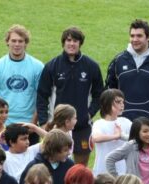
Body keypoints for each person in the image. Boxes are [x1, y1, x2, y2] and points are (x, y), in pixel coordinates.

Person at [36, 26, 104, 165]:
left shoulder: (91, 66)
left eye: (75, 41)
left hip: (82, 126)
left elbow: (99, 95)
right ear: (63, 42)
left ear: (80, 43)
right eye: (68, 40)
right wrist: (43, 122)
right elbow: (42, 96)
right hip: (58, 127)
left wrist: (89, 114)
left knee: (80, 167)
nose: (72, 44)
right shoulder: (52, 66)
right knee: (55, 164)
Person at [105, 19, 149, 122]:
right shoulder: (118, 61)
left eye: (139, 36)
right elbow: (109, 92)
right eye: (132, 36)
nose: (135, 39)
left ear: (148, 37)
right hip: (121, 122)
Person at [0, 25, 44, 125]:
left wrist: (33, 123)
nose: (17, 44)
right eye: (13, 41)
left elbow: (42, 98)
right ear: (7, 42)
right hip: (4, 125)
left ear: (26, 43)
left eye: (20, 41)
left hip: (28, 124)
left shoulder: (38, 67)